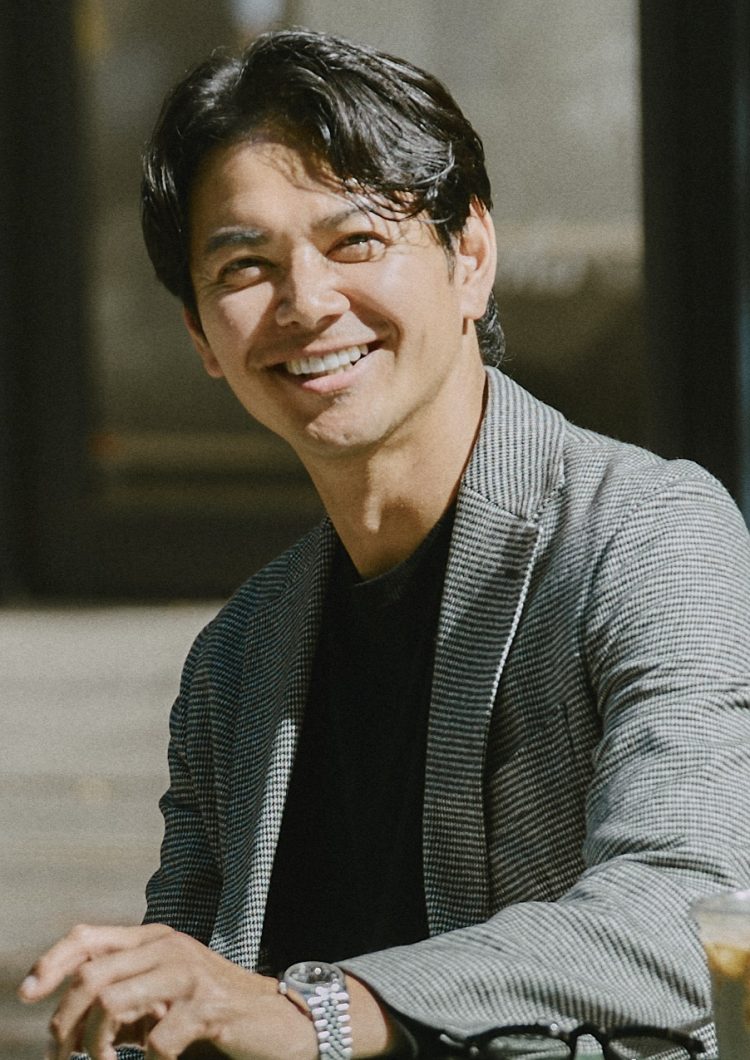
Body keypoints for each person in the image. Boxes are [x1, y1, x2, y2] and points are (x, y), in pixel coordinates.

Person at [19, 27, 750, 1060]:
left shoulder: (645, 534)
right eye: (244, 265)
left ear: (471, 257)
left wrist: (315, 1010)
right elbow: (186, 1001)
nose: (307, 301)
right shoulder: (235, 659)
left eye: (356, 241)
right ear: (201, 338)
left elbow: (686, 905)